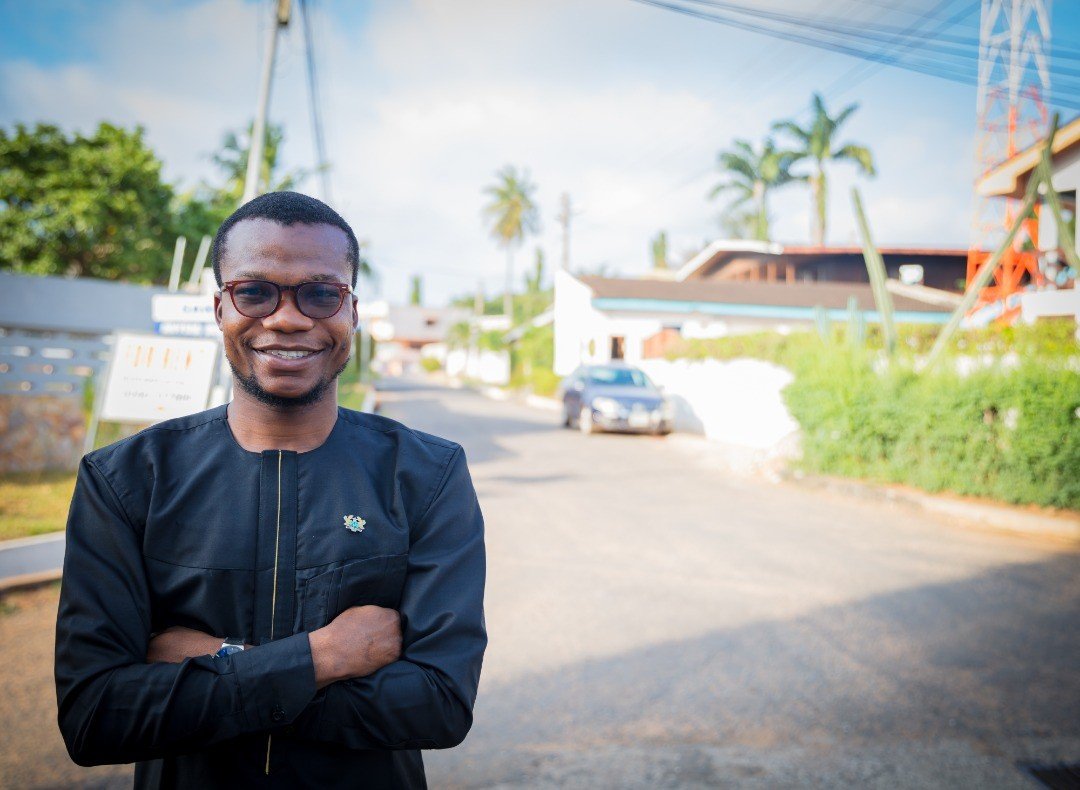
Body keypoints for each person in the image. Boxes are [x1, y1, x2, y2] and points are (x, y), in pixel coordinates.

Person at [54, 191, 487, 789]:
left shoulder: (425, 475)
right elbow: (95, 716)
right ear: (219, 309)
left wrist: (212, 667)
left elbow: (439, 703)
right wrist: (326, 658)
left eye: (321, 293)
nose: (287, 318)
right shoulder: (126, 481)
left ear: (352, 311)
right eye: (255, 292)